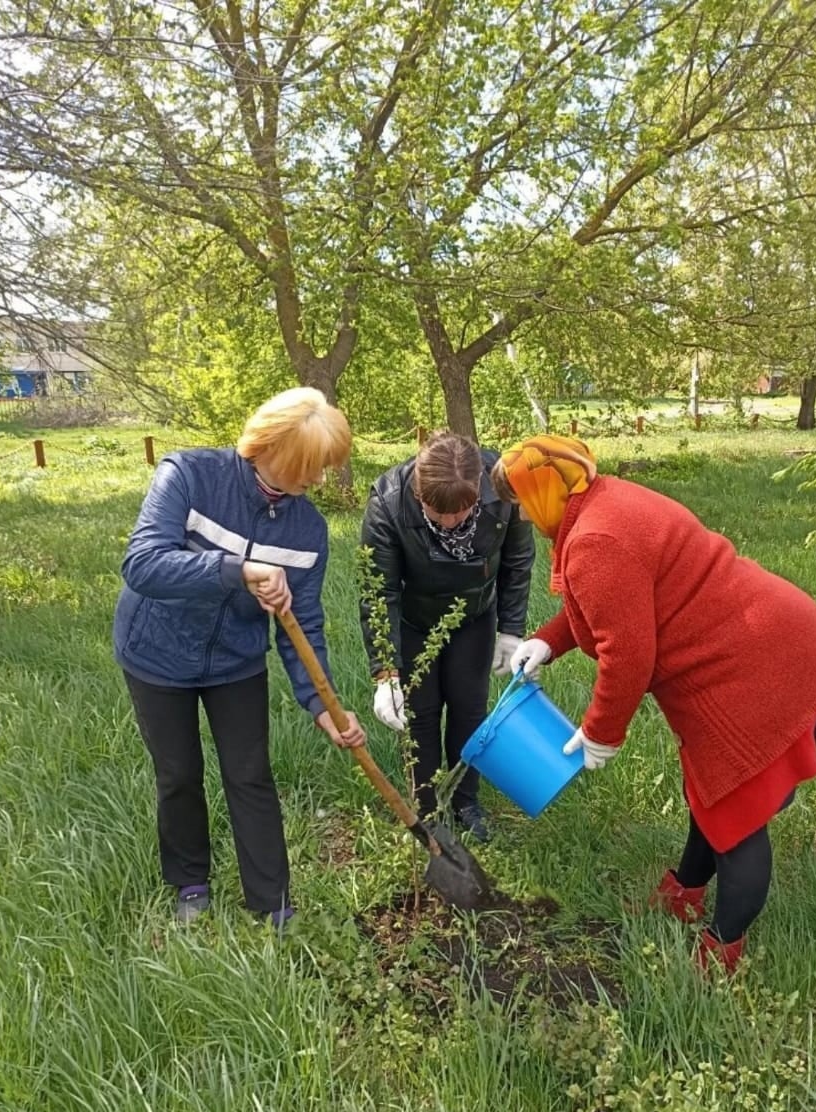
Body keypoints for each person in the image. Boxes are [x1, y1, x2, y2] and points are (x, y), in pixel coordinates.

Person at [493, 435, 816, 973]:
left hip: (755, 666)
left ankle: (723, 947)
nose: (519, 515)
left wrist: (601, 732)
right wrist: (549, 640)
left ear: (545, 490)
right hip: (772, 636)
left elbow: (629, 654)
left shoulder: (596, 541)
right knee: (708, 794)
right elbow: (620, 605)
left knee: (736, 814)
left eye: (520, 500)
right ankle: (685, 891)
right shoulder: (602, 498)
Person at [114, 387, 366, 928]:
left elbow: (305, 624)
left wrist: (320, 704)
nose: (319, 481)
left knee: (250, 775)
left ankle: (272, 903)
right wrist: (235, 570)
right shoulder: (188, 475)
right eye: (313, 466)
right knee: (178, 773)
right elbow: (143, 565)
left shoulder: (308, 531)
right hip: (156, 654)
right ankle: (190, 883)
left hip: (235, 662)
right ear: (275, 447)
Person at [359, 431, 535, 841]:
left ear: (478, 488)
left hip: (474, 617)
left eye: (462, 512)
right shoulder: (387, 502)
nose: (452, 523)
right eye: (439, 516)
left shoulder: (504, 488)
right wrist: (386, 674)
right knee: (418, 713)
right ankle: (424, 808)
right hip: (416, 621)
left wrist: (510, 631)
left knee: (470, 709)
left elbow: (517, 561)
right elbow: (378, 591)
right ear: (419, 496)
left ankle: (464, 801)